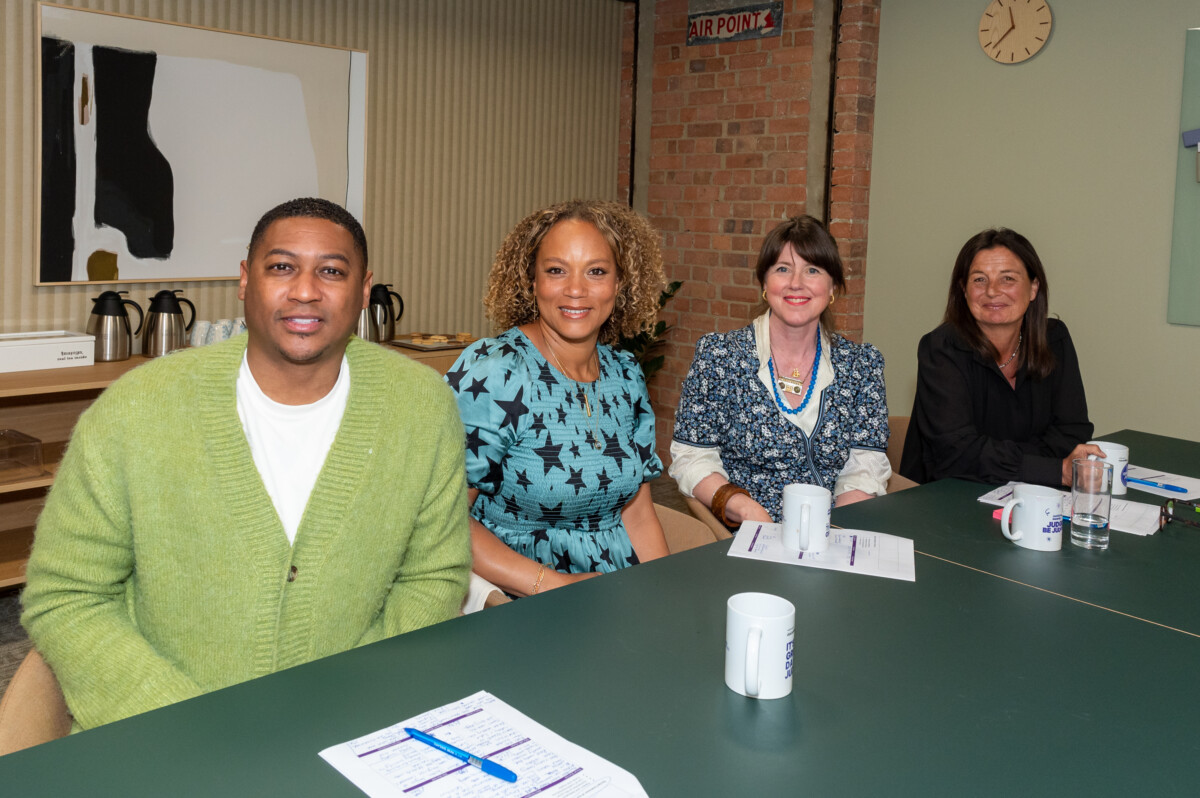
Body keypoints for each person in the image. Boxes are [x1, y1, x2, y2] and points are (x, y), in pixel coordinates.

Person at [21, 198, 471, 730]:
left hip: (351, 723)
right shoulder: (137, 408)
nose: (305, 290)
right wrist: (186, 722)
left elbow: (435, 576)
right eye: (281, 267)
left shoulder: (422, 406)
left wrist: (350, 693)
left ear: (364, 290)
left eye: (331, 271)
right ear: (244, 281)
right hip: (162, 736)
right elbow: (66, 594)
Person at [444, 199, 669, 597]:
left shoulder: (626, 373)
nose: (577, 290)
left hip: (616, 595)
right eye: (556, 271)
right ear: (532, 281)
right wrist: (554, 585)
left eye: (596, 271)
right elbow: (444, 519)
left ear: (620, 284)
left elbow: (636, 511)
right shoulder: (496, 371)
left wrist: (662, 594)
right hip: (521, 597)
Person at [671, 215, 891, 528]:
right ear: (764, 283)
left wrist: (836, 530)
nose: (796, 283)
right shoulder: (719, 357)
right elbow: (691, 457)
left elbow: (864, 464)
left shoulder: (862, 365)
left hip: (833, 531)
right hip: (750, 533)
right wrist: (745, 510)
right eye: (782, 269)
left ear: (832, 287)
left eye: (812, 270)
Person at [899, 228, 1098, 487]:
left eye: (1008, 279)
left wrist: (1019, 465)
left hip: (1037, 493)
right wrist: (1052, 468)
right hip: (947, 499)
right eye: (979, 280)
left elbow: (1073, 432)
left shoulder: (1054, 339)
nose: (992, 291)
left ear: (1033, 288)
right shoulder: (941, 349)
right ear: (964, 290)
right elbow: (957, 454)